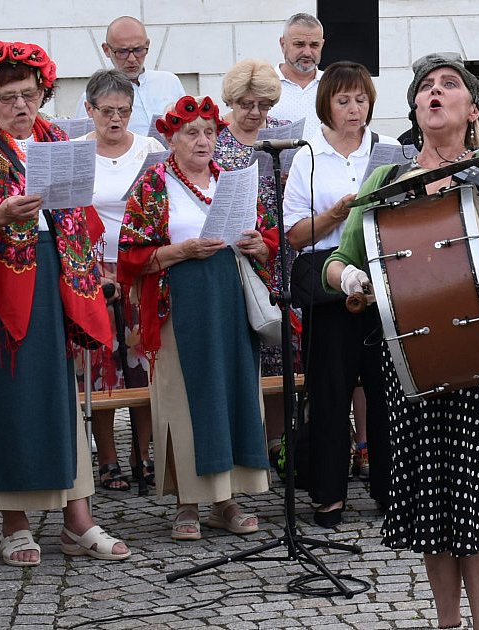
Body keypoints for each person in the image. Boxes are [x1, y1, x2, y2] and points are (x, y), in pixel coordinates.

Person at [323, 3, 479, 627]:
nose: (434, 93)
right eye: (425, 87)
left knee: (476, 504)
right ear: (415, 110)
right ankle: (447, 623)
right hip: (410, 364)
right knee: (432, 510)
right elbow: (337, 263)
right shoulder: (387, 179)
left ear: (475, 109)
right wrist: (355, 280)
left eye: (449, 85)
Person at [0, 41, 130, 567]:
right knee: (10, 400)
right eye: (6, 97)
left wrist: (93, 263)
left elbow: (80, 209)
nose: (20, 106)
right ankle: (15, 522)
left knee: (58, 396)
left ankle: (77, 518)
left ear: (43, 91)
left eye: (29, 94)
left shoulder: (55, 139)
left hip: (59, 279)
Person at [119, 95, 277, 541]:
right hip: (179, 304)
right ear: (172, 138)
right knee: (184, 398)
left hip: (229, 300)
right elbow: (131, 255)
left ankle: (227, 500)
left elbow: (267, 237)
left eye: (210, 132)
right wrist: (181, 251)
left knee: (233, 392)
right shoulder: (153, 185)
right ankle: (187, 501)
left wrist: (257, 244)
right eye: (192, 132)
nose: (203, 140)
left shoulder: (233, 181)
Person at [284, 61, 399, 527]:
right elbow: (294, 235)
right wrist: (336, 215)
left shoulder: (388, 151)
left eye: (361, 99)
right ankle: (328, 492)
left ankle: (391, 490)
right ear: (325, 105)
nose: (354, 109)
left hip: (382, 275)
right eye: (343, 100)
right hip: (329, 280)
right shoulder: (307, 158)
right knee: (329, 392)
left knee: (386, 391)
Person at [78, 69, 165, 492]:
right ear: (90, 109)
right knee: (101, 368)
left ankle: (143, 453)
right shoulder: (76, 152)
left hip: (139, 269)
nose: (116, 119)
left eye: (124, 111)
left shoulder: (149, 148)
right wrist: (93, 267)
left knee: (142, 364)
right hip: (91, 272)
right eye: (107, 111)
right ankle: (108, 456)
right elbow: (70, 215)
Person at [213, 58, 291, 465]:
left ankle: (278, 440)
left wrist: (272, 242)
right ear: (232, 101)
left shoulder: (280, 136)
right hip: (233, 256)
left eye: (263, 105)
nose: (255, 113)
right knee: (242, 349)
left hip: (277, 253)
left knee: (278, 350)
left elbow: (297, 198)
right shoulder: (216, 139)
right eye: (246, 104)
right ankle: (247, 439)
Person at [74, 16, 185, 136]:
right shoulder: (95, 93)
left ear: (147, 45)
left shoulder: (169, 82)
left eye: (138, 50)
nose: (132, 59)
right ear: (106, 50)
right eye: (122, 52)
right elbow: (84, 143)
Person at [272, 13, 325, 144]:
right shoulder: (263, 85)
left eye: (314, 45)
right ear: (283, 44)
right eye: (299, 44)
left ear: (322, 45)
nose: (307, 52)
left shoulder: (333, 85)